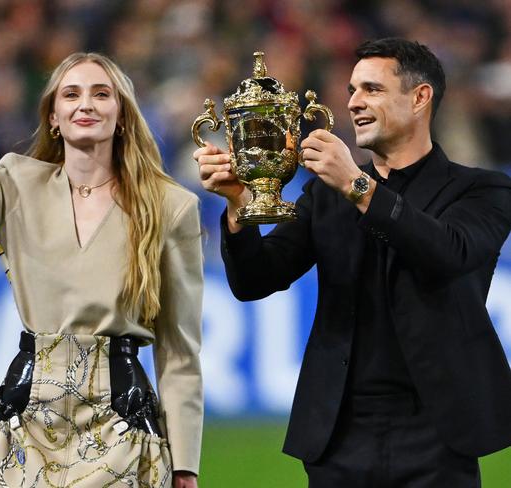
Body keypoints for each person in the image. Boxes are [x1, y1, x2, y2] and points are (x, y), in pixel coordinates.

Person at [0, 1, 203, 487]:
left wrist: (185, 466)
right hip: (24, 424)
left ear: (121, 114)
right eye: (72, 94)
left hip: (121, 428)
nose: (86, 104)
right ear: (53, 115)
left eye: (102, 94)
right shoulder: (15, 184)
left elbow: (180, 351)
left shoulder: (169, 205)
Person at [195, 37, 511, 487]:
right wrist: (237, 209)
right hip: (339, 435)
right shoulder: (327, 193)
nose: (355, 103)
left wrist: (358, 187)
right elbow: (255, 280)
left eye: (372, 89)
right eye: (351, 91)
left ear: (420, 98)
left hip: (438, 436)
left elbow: (448, 252)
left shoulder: (481, 191)